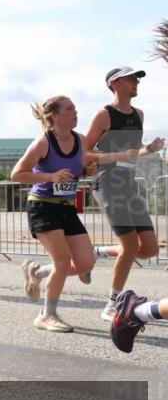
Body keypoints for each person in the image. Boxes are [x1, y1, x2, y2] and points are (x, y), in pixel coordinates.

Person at [83, 66, 164, 322]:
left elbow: (133, 151)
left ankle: (97, 253)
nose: (136, 83)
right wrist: (116, 156)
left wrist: (149, 148)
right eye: (130, 79)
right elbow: (83, 153)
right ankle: (111, 305)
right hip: (107, 182)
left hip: (128, 184)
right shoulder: (103, 115)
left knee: (150, 249)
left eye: (137, 79)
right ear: (114, 84)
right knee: (130, 246)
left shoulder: (139, 114)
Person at [11, 96, 98, 333]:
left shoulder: (81, 140)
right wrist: (50, 176)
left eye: (76, 108)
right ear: (55, 116)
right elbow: (17, 174)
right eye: (70, 108)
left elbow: (82, 168)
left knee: (84, 263)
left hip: (66, 207)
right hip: (42, 205)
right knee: (61, 262)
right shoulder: (43, 142)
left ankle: (36, 272)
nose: (76, 112)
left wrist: (89, 169)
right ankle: (46, 314)